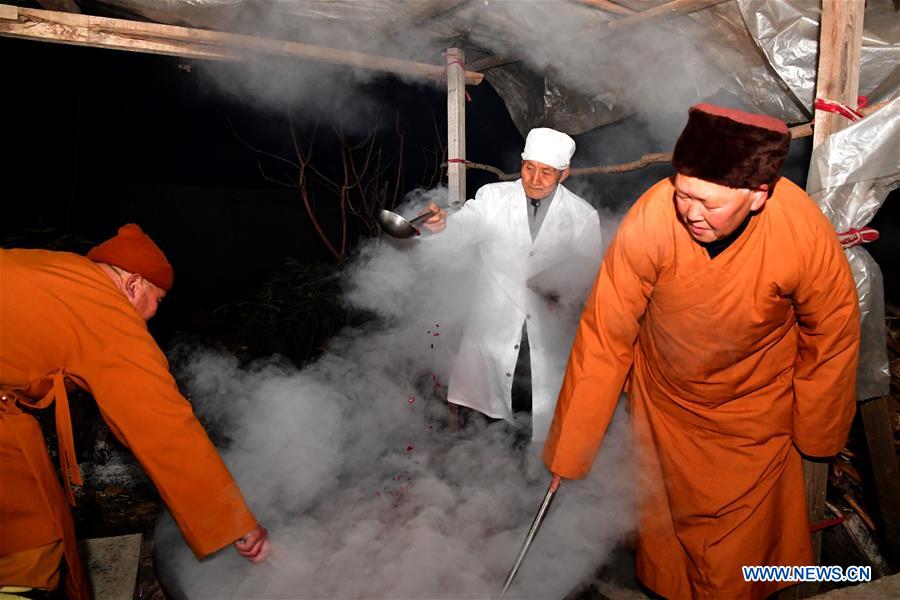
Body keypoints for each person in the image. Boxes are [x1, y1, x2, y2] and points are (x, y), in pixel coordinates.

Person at [542, 104, 860, 599]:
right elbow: (607, 332)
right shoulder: (652, 216)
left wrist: (817, 430)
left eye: (708, 204)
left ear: (758, 195)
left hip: (754, 411)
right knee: (667, 543)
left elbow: (833, 332)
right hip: (663, 404)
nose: (690, 211)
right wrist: (570, 450)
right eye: (684, 193)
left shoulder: (800, 230)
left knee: (739, 560)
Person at [0, 224, 271, 599]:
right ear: (133, 284)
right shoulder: (104, 308)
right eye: (157, 299)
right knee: (32, 541)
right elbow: (163, 427)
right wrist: (236, 523)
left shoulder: (61, 272)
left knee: (28, 525)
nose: (153, 313)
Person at [420, 127, 603, 441]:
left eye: (546, 172)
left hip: (546, 339)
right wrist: (443, 226)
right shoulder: (493, 197)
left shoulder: (582, 216)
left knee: (536, 425)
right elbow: (466, 225)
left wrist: (563, 296)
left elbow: (589, 280)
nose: (534, 179)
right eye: (529, 167)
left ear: (564, 174)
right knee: (488, 429)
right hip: (494, 332)